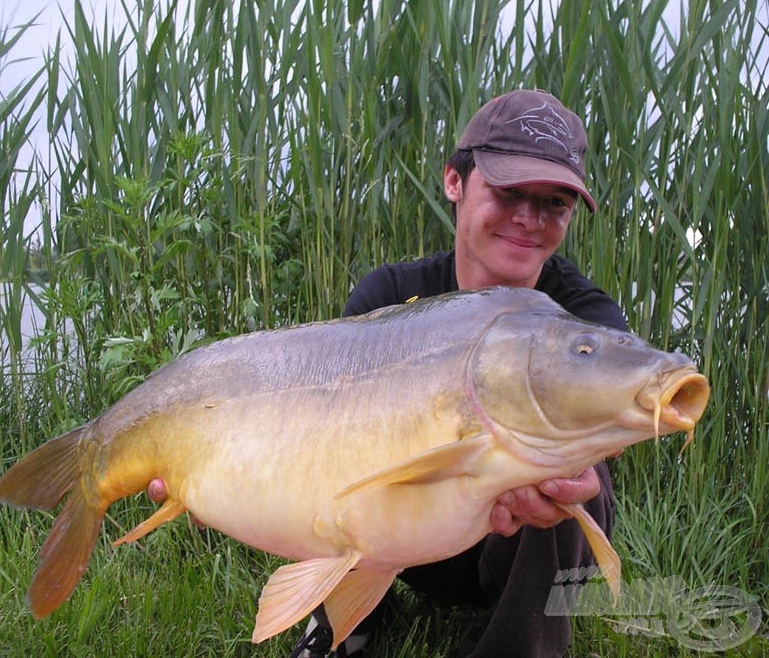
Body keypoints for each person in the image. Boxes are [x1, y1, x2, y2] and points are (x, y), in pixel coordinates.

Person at [149, 89, 628, 657]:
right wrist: (223, 477)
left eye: (555, 204)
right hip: (393, 540)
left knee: (573, 471)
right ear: (455, 181)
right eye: (510, 192)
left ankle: (514, 644)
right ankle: (344, 619)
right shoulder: (392, 295)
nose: (530, 219)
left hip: (510, 545)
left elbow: (618, 408)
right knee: (331, 453)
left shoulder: (582, 320)